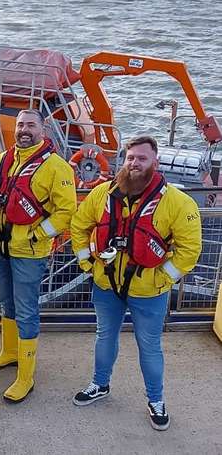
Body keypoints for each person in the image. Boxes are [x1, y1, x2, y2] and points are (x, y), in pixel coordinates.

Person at [70, 136, 201, 431]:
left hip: (149, 293)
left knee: (150, 347)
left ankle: (156, 400)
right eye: (130, 158)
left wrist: (162, 278)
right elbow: (79, 226)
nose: (134, 163)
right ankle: (99, 384)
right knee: (104, 337)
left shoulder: (179, 203)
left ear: (155, 162)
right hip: (106, 286)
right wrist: (87, 263)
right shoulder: (104, 193)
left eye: (141, 158)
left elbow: (189, 250)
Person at [0, 109, 76, 403]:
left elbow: (66, 211)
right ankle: (9, 353)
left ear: (42, 130)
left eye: (30, 125)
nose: (24, 130)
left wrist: (38, 233)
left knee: (26, 311)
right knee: (6, 302)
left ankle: (26, 377)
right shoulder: (2, 159)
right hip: (0, 247)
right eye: (20, 124)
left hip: (29, 253)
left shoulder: (57, 167)